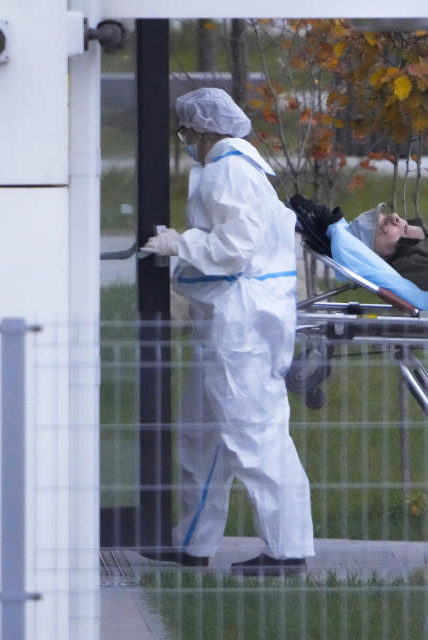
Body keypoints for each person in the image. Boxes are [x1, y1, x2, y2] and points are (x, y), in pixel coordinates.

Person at [141, 87, 314, 576]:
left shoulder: (230, 171)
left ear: (204, 129)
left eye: (187, 132)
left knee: (255, 436)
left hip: (240, 325)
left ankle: (288, 550)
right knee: (203, 436)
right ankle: (193, 544)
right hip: (227, 321)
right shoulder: (239, 168)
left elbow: (235, 246)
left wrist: (183, 244)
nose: (186, 141)